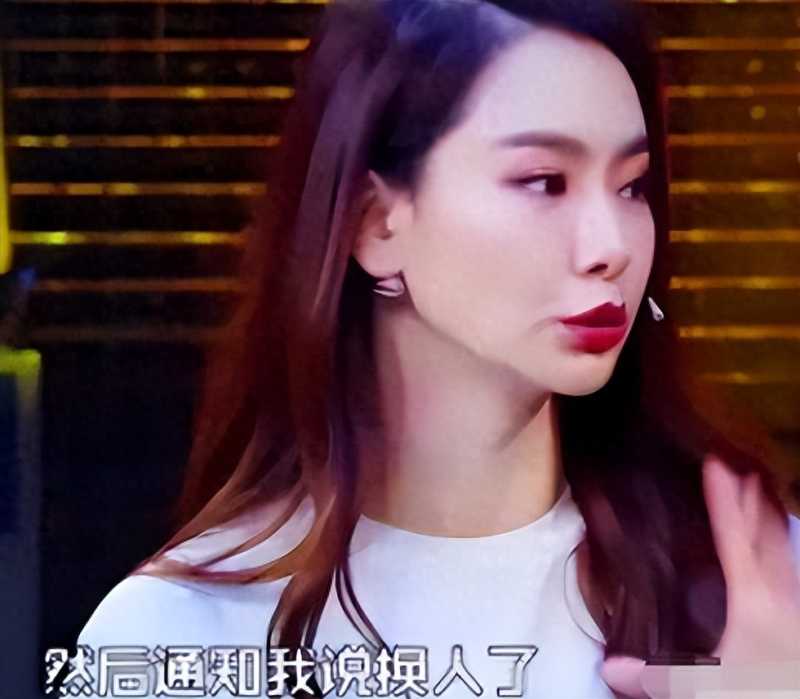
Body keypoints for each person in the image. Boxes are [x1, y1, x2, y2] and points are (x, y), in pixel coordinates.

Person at [76, 1, 800, 697]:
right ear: (374, 224)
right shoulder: (176, 636)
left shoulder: (758, 593)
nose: (611, 245)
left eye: (632, 187)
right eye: (545, 182)